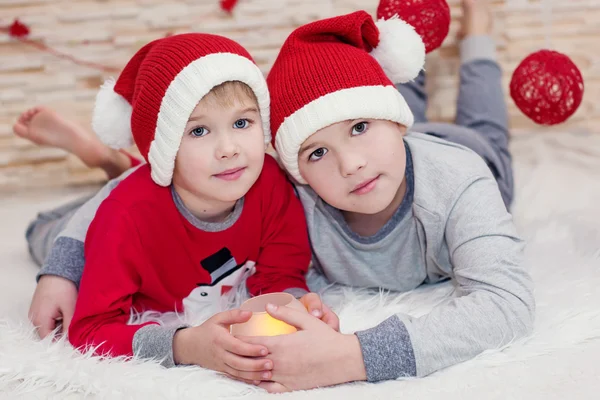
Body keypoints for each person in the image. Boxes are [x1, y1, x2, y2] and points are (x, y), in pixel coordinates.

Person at [234, 0, 534, 392]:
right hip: (396, 154)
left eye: (359, 128)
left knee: (484, 126)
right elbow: (276, 274)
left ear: (395, 123)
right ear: (298, 173)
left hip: (462, 152)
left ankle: (477, 29)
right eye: (317, 153)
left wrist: (350, 356)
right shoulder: (296, 199)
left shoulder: (461, 180)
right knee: (371, 111)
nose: (350, 164)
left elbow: (506, 304)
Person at [31, 31, 336, 385]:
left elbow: (281, 274)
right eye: (199, 131)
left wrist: (298, 309)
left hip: (164, 186)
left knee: (174, 179)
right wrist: (183, 345)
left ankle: (113, 162)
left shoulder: (269, 182)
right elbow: (90, 330)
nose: (229, 149)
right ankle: (110, 163)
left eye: (241, 123)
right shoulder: (124, 220)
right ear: (164, 148)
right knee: (47, 232)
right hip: (85, 225)